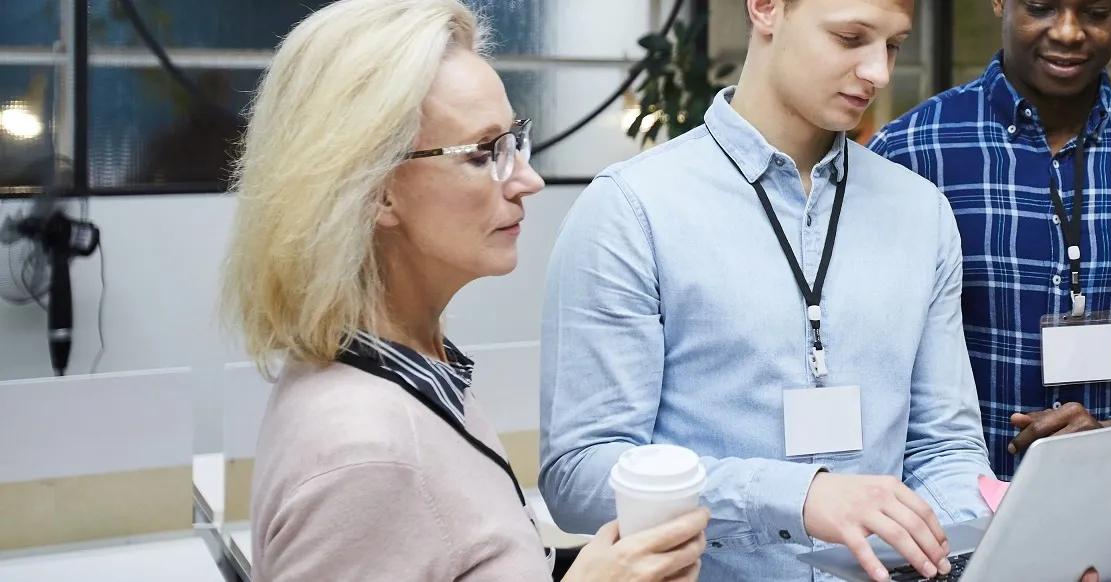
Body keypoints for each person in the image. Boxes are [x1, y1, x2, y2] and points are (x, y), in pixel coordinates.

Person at [223, 1, 707, 580]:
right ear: (376, 191)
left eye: (513, 141)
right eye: (483, 153)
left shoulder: (416, 369)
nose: (529, 179)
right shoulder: (366, 452)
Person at [538, 1, 1008, 581]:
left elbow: (945, 446)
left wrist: (984, 536)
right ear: (764, 8)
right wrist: (795, 497)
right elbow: (578, 475)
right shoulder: (633, 209)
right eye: (850, 37)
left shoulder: (922, 212)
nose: (879, 73)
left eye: (892, 45)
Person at [868, 0, 1111, 478]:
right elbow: (867, 369)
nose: (1070, 32)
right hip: (948, 523)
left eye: (1096, 11)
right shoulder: (909, 154)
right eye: (1042, 7)